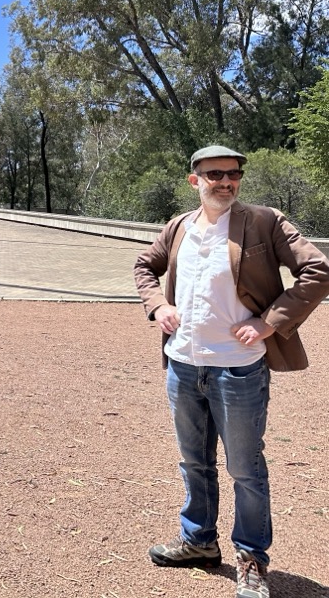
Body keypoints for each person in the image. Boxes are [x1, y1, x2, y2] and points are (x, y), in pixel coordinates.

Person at [133, 145, 329, 598]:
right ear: (194, 180)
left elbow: (318, 270)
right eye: (214, 174)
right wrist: (158, 304)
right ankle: (199, 542)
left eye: (233, 174)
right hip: (183, 365)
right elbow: (145, 266)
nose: (225, 181)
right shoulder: (179, 226)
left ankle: (251, 560)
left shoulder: (264, 221)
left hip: (238, 369)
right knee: (194, 463)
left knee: (245, 469)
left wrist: (269, 322)